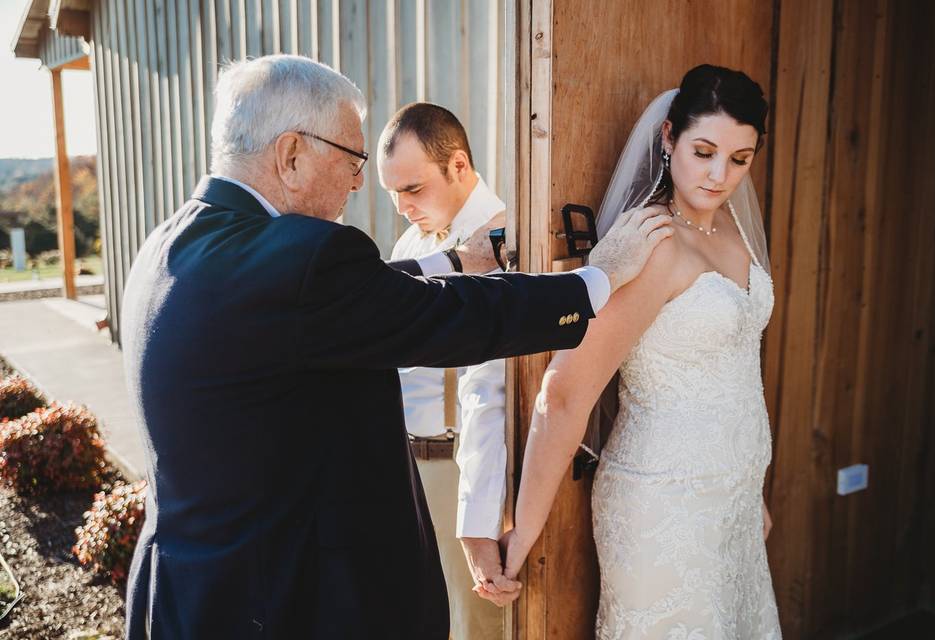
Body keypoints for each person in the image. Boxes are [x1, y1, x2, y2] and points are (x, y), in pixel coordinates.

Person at [119, 54, 672, 639]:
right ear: (291, 155)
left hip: (186, 590)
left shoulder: (172, 243)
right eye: (353, 160)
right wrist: (597, 279)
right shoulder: (302, 261)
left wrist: (454, 261)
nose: (359, 183)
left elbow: (345, 298)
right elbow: (442, 315)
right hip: (277, 601)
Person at [501, 64, 783, 638]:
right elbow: (564, 394)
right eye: (703, 151)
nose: (719, 174)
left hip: (730, 499)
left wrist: (749, 492)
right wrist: (521, 533)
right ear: (669, 137)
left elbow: (733, 366)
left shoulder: (733, 227)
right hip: (664, 505)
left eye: (739, 159)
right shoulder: (651, 245)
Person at [380, 102, 509, 638]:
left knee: (471, 628)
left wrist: (476, 525)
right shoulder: (413, 241)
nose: (403, 207)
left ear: (458, 166)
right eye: (394, 195)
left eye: (413, 189)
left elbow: (490, 391)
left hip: (461, 471)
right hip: (406, 467)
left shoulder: (502, 237)